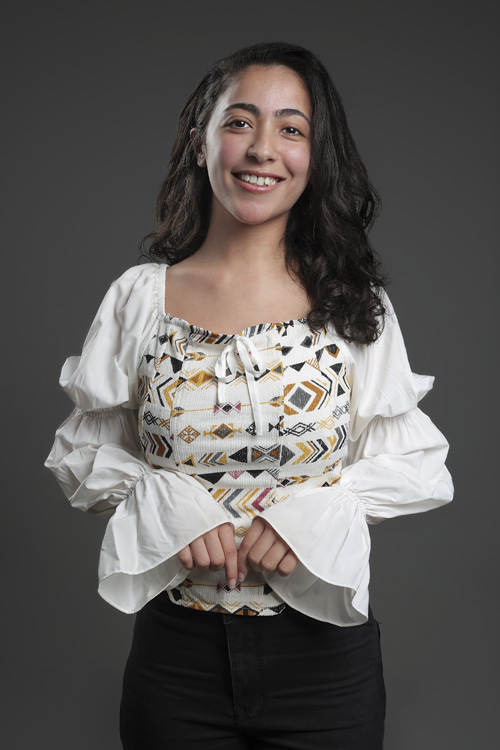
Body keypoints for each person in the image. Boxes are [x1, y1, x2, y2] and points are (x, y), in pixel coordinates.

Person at [45, 41, 453, 750]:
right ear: (199, 139)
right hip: (177, 665)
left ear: (314, 157)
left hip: (326, 667)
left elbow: (417, 464)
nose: (263, 148)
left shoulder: (354, 305)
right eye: (239, 122)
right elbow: (80, 453)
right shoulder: (139, 298)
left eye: (292, 129)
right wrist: (165, 504)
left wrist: (316, 516)